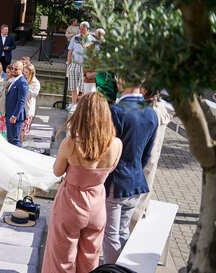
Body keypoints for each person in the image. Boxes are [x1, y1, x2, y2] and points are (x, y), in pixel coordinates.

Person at [41, 92, 123, 273]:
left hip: (71, 203)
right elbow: (110, 170)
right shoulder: (116, 144)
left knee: (61, 260)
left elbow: (57, 171)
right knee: (90, 259)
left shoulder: (71, 143)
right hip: (97, 205)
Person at [102, 82, 158, 264]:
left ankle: (114, 269)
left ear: (120, 81)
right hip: (136, 180)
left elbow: (106, 149)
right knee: (123, 231)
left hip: (116, 181)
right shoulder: (151, 112)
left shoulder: (116, 111)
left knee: (110, 235)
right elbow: (147, 154)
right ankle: (123, 267)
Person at [129, 88, 173, 227]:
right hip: (153, 106)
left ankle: (138, 211)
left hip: (154, 108)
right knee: (148, 165)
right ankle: (139, 208)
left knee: (149, 164)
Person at [66, 21, 96, 108]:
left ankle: (81, 105)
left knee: (83, 87)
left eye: (83, 28)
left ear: (87, 29)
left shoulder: (92, 40)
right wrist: (69, 64)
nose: (81, 30)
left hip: (85, 66)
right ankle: (73, 103)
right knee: (73, 85)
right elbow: (70, 51)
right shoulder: (75, 38)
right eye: (80, 28)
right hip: (74, 64)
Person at [5, 61, 29, 147]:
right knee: (10, 139)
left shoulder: (23, 82)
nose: (13, 70)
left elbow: (21, 101)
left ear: (21, 70)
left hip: (15, 117)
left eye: (16, 69)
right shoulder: (13, 80)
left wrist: (15, 115)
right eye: (12, 68)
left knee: (15, 140)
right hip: (9, 114)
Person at [22, 63, 40, 142]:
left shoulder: (35, 82)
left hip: (28, 109)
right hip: (20, 108)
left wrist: (26, 87)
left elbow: (34, 94)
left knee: (24, 130)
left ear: (31, 73)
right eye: (24, 72)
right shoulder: (22, 79)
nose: (24, 74)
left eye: (26, 72)